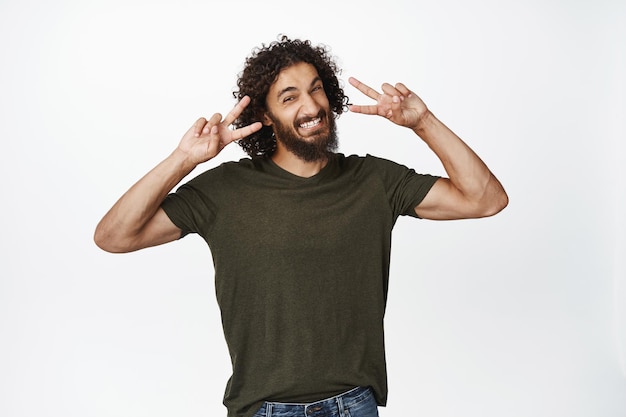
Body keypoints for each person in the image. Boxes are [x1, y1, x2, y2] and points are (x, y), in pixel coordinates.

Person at [94, 36, 508, 417]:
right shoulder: (224, 190)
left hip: (354, 405)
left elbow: (486, 199)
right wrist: (182, 160)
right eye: (289, 97)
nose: (311, 107)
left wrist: (423, 122)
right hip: (262, 409)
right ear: (267, 116)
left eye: (316, 88)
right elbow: (114, 236)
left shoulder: (374, 182)